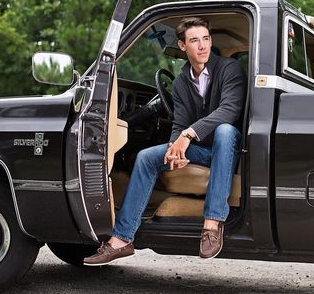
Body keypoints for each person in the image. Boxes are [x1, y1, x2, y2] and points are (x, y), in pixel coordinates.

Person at [84, 17, 246, 265]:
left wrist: (187, 136)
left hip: (230, 149)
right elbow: (179, 123)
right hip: (201, 149)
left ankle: (212, 225)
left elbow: (230, 110)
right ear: (182, 46)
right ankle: (121, 239)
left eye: (205, 39)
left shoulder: (229, 69)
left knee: (224, 130)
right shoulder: (181, 82)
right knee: (146, 157)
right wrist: (174, 149)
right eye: (194, 40)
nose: (202, 46)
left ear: (210, 41)